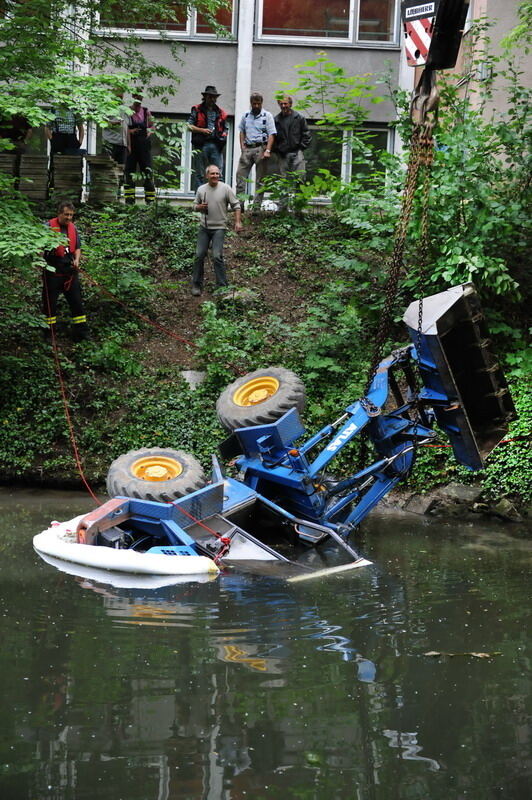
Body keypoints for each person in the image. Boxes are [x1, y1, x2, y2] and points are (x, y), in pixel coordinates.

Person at [192, 164, 242, 296]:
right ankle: (196, 285)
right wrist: (199, 207)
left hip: (219, 228)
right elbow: (194, 206)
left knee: (217, 256)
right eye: (212, 174)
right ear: (207, 175)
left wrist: (237, 221)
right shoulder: (201, 189)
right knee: (199, 255)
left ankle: (222, 286)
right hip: (204, 227)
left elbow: (236, 205)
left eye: (217, 174)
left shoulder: (225, 188)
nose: (215, 176)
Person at [42, 201, 88, 342]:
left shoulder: (73, 229)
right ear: (59, 213)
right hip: (52, 274)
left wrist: (77, 260)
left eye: (71, 215)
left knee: (77, 303)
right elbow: (39, 248)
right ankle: (49, 335)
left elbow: (78, 247)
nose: (69, 218)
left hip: (70, 273)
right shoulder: (48, 227)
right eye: (66, 214)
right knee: (50, 305)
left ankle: (81, 335)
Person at [235, 93, 276, 211]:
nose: (256, 105)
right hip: (247, 149)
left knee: (260, 180)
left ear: (262, 103)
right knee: (240, 177)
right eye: (254, 103)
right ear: (251, 103)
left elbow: (272, 134)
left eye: (258, 103)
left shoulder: (267, 116)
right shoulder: (246, 115)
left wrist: (268, 150)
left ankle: (256, 208)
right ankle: (239, 206)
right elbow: (241, 131)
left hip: (261, 148)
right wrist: (242, 146)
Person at [273, 96, 311, 208]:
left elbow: (307, 135)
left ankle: (299, 208)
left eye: (285, 103)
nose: (283, 106)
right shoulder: (276, 120)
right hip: (283, 155)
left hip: (297, 152)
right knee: (283, 181)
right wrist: (278, 150)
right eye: (281, 104)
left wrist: (301, 148)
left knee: (300, 179)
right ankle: (283, 209)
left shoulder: (299, 118)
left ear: (290, 104)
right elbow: (272, 137)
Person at [188, 85, 228, 191]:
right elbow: (188, 126)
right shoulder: (197, 109)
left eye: (214, 97)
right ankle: (199, 200)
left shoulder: (221, 112)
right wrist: (202, 130)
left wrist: (223, 136)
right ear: (205, 97)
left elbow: (226, 128)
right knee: (199, 174)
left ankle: (219, 197)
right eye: (210, 97)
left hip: (216, 145)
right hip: (200, 144)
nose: (212, 99)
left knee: (218, 173)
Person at [124, 93, 156, 205]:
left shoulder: (146, 112)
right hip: (131, 147)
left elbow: (153, 126)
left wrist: (149, 132)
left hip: (144, 147)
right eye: (136, 97)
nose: (138, 99)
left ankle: (150, 201)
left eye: (140, 97)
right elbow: (122, 127)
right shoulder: (127, 112)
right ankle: (129, 201)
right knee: (129, 173)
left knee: (148, 172)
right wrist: (130, 131)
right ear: (133, 97)